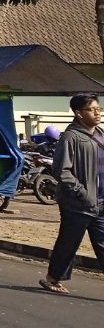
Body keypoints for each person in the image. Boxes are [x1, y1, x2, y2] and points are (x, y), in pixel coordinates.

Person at [41, 94, 104, 294]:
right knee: (69, 242)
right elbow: (62, 171)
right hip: (78, 203)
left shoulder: (100, 133)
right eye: (92, 109)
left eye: (99, 108)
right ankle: (53, 278)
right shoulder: (71, 137)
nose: (97, 112)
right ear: (78, 113)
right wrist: (82, 193)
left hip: (101, 201)